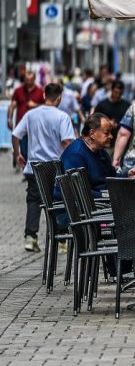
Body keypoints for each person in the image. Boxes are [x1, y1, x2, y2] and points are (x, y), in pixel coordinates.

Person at [11, 83, 75, 252]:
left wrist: (18, 154)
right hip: (55, 166)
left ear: (44, 95)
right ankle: (61, 240)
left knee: (33, 201)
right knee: (59, 201)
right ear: (59, 97)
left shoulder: (31, 115)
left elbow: (16, 134)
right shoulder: (62, 117)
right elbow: (67, 141)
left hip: (34, 167)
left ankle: (30, 237)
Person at [58, 114, 135, 199]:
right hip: (85, 204)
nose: (111, 136)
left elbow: (111, 176)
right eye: (106, 133)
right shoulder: (76, 155)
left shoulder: (101, 152)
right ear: (92, 133)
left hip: (103, 200)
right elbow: (76, 191)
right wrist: (108, 195)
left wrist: (127, 175)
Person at [7, 72, 45, 169]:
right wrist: (9, 119)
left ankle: (33, 170)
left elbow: (46, 106)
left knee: (35, 151)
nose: (28, 82)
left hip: (36, 127)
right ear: (24, 80)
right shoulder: (18, 91)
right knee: (24, 150)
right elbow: (12, 105)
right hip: (22, 126)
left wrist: (35, 105)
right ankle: (27, 170)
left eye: (31, 80)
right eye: (27, 80)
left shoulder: (40, 91)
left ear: (34, 79)